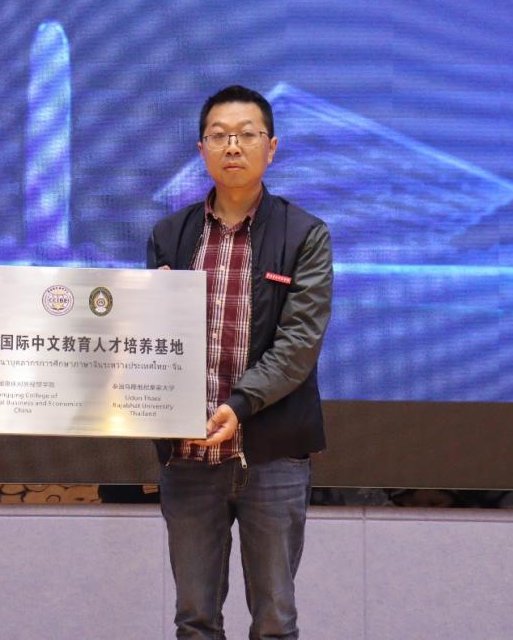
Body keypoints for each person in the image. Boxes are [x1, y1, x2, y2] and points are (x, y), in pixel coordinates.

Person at [147, 85, 333, 639]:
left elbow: (299, 344)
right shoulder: (169, 235)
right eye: (219, 136)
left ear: (271, 148)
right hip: (187, 456)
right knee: (194, 619)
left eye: (247, 135)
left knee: (275, 619)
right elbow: (148, 346)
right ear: (201, 149)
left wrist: (240, 404)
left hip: (271, 455)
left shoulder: (304, 235)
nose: (233, 146)